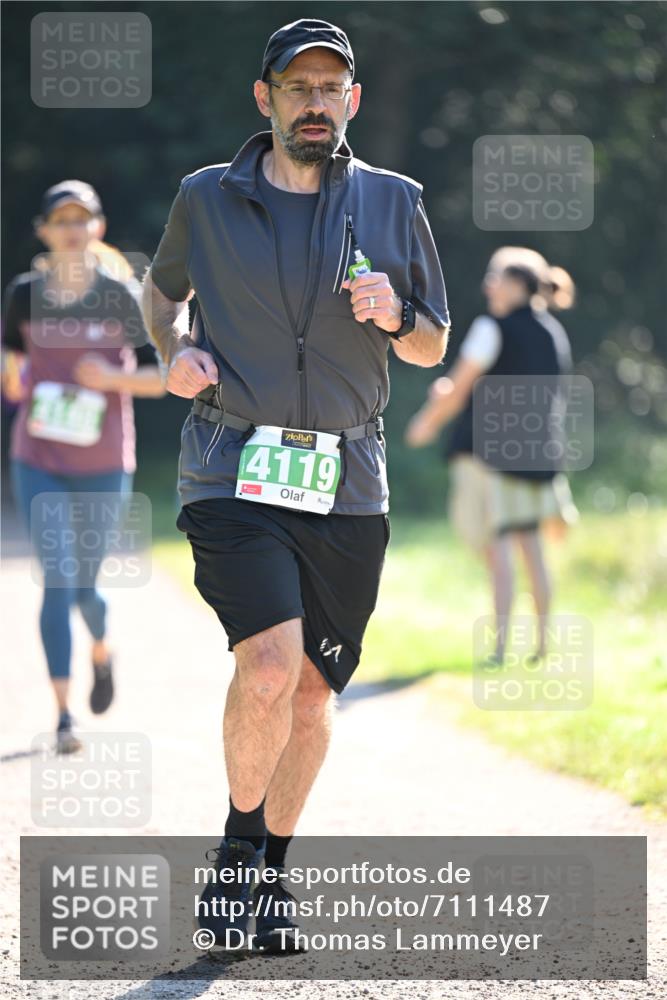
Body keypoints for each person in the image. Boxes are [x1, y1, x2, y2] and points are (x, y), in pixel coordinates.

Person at [142, 18, 450, 952]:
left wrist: (396, 314)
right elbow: (164, 290)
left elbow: (434, 343)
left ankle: (269, 874)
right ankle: (237, 866)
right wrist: (173, 350)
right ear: (264, 98)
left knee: (314, 692)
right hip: (231, 464)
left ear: (349, 101)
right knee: (268, 665)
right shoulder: (206, 197)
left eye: (329, 89)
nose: (313, 103)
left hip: (349, 479)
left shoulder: (394, 202)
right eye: (296, 87)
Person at [1, 180, 164, 753]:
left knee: (86, 587)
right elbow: (12, 360)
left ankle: (102, 647)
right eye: (60, 220)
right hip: (38, 457)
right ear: (44, 231)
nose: (71, 229)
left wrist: (112, 378)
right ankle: (64, 715)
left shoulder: (122, 295)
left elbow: (165, 377)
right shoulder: (24, 294)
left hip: (102, 462)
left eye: (82, 219)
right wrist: (12, 374)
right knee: (57, 579)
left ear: (97, 228)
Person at [406, 247, 578, 664]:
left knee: (498, 551)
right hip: (539, 457)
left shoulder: (491, 327)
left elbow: (459, 386)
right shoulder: (553, 331)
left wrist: (425, 424)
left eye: (495, 276)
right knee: (532, 550)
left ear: (517, 285)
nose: (488, 284)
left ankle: (500, 649)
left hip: (493, 459)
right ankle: (541, 646)